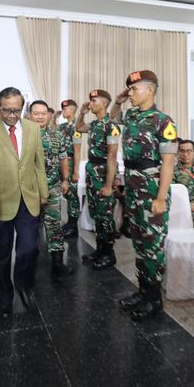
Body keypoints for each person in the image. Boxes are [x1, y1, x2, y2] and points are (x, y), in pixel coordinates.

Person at [0, 87, 48, 320]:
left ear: (22, 107)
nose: (12, 116)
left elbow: (38, 163)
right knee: (0, 255)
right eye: (7, 111)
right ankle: (4, 297)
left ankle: (24, 285)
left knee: (28, 249)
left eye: (16, 110)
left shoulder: (33, 129)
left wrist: (43, 192)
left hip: (28, 199)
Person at [110, 70, 178, 322]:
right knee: (139, 242)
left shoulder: (164, 121)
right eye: (128, 89)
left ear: (150, 90)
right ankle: (143, 291)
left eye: (134, 89)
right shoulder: (131, 115)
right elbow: (112, 119)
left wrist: (161, 198)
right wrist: (118, 101)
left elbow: (169, 164)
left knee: (153, 246)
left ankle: (154, 301)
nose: (130, 93)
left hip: (151, 191)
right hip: (134, 187)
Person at [75, 89, 120, 269]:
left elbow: (112, 157)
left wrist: (109, 185)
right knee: (96, 213)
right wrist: (82, 113)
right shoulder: (95, 125)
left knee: (105, 215)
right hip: (93, 171)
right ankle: (100, 250)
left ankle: (109, 254)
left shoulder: (111, 126)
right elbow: (79, 128)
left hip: (103, 172)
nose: (90, 103)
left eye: (94, 101)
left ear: (104, 103)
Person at [30, 101, 73, 278]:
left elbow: (63, 158)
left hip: (53, 187)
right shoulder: (23, 136)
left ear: (48, 115)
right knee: (30, 225)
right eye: (36, 113)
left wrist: (65, 179)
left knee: (54, 224)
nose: (40, 116)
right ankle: (29, 257)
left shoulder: (57, 135)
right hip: (30, 190)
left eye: (43, 113)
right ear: (29, 115)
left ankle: (57, 263)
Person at [56, 99, 82, 237]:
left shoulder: (77, 126)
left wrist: (76, 171)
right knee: (67, 193)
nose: (63, 111)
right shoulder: (62, 126)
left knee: (72, 195)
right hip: (62, 162)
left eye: (65, 109)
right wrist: (54, 117)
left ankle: (73, 226)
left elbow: (77, 151)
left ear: (72, 110)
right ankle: (69, 223)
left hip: (71, 162)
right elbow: (52, 132)